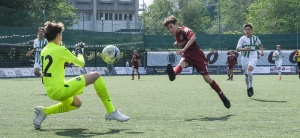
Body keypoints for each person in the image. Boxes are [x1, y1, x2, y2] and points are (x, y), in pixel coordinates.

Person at [33, 21, 129, 130]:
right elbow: (81, 63)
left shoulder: (45, 50)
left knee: (77, 103)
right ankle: (111, 111)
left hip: (50, 91)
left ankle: (44, 111)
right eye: (61, 34)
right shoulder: (60, 49)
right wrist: (79, 52)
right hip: (60, 90)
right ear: (58, 35)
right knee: (96, 76)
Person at [163, 15, 230, 109]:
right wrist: (176, 43)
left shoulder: (185, 30)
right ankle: (173, 74)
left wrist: (183, 49)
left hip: (197, 55)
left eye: (170, 27)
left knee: (207, 79)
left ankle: (222, 96)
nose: (170, 30)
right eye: (168, 28)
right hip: (187, 55)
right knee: (182, 63)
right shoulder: (175, 34)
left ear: (176, 24)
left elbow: (193, 38)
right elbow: (180, 39)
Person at [236, 23, 264, 97]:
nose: (247, 31)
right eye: (246, 29)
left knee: (250, 70)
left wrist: (262, 51)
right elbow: (237, 49)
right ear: (244, 31)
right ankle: (248, 87)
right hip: (244, 58)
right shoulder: (242, 39)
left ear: (251, 30)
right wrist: (245, 49)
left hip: (253, 56)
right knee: (246, 74)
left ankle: (251, 87)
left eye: (249, 29)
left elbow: (260, 45)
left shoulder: (255, 38)